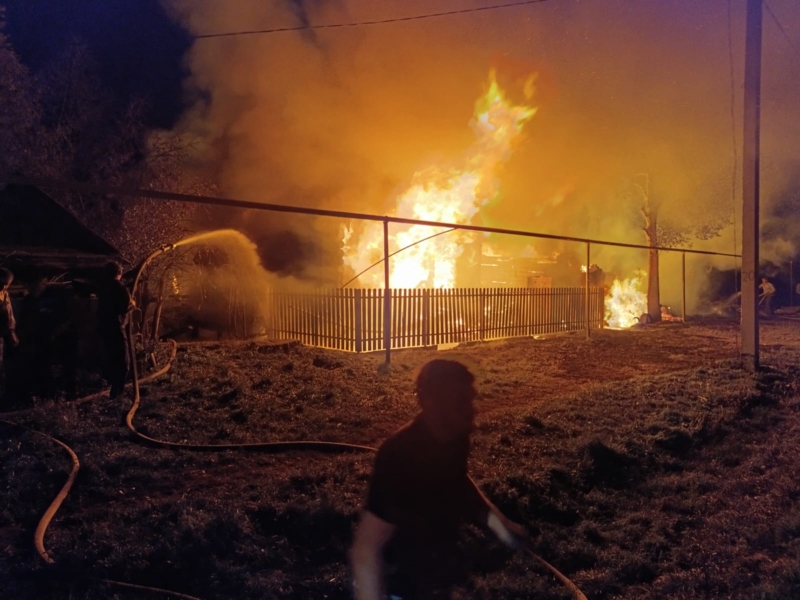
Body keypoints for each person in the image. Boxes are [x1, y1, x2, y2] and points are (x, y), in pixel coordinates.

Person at [350, 359, 527, 600]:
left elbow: (458, 481)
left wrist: (498, 524)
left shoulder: (455, 437)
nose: (472, 409)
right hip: (401, 586)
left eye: (471, 398)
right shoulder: (399, 457)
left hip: (441, 578)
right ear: (432, 403)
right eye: (461, 401)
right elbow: (366, 550)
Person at [96, 261, 132, 399]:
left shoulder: (104, 287)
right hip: (115, 327)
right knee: (123, 362)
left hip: (104, 328)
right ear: (119, 272)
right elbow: (124, 307)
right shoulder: (118, 286)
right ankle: (116, 394)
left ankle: (113, 390)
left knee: (112, 358)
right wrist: (132, 305)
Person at [0, 268, 20, 403]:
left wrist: (11, 331)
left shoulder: (4, 294)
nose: (4, 286)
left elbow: (9, 315)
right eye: (2, 283)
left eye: (7, 284)